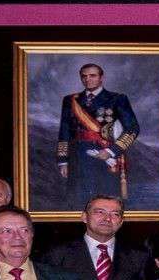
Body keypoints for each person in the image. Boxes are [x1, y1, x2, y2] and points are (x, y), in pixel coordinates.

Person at [57, 63, 140, 208]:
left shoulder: (117, 99)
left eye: (92, 76)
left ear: (101, 78)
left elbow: (132, 129)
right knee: (78, 200)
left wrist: (111, 151)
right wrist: (63, 160)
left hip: (104, 156)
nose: (87, 79)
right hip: (77, 157)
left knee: (105, 200)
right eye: (84, 76)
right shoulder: (70, 100)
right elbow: (64, 131)